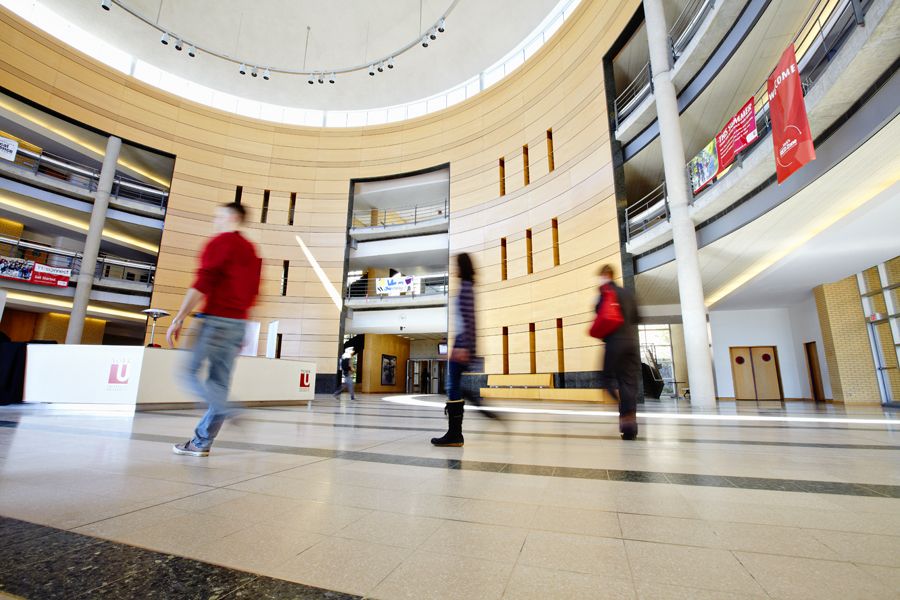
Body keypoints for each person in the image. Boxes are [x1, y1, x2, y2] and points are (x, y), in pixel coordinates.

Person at [168, 202, 262, 457]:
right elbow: (254, 294)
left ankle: (228, 408)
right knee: (219, 384)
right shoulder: (252, 252)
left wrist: (179, 317)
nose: (215, 221)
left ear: (232, 217)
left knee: (187, 373)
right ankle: (201, 443)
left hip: (215, 321)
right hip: (238, 324)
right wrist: (243, 329)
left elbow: (203, 281)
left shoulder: (219, 243)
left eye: (218, 216)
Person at [432, 253, 499, 447]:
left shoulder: (467, 289)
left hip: (462, 346)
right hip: (461, 345)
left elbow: (469, 322)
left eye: (457, 265)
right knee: (455, 387)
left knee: (453, 387)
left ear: (462, 267)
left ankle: (455, 434)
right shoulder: (466, 287)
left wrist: (464, 348)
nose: (455, 269)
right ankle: (475, 413)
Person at [596, 264, 640, 440]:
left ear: (605, 275)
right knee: (628, 384)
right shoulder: (628, 293)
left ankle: (616, 401)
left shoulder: (606, 292)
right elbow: (638, 317)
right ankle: (629, 427)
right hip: (631, 343)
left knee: (605, 377)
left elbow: (600, 315)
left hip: (615, 343)